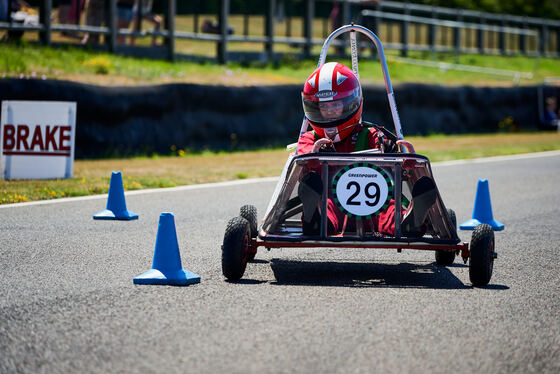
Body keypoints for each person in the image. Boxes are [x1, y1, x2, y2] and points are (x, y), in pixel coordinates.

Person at [297, 61, 436, 237]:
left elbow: (395, 164)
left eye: (335, 105)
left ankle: (411, 221)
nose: (330, 111)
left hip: (373, 203)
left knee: (389, 209)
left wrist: (404, 158)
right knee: (325, 207)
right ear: (314, 107)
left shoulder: (370, 134)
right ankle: (314, 220)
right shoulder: (310, 138)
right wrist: (314, 155)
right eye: (324, 107)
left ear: (350, 104)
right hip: (331, 201)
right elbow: (302, 159)